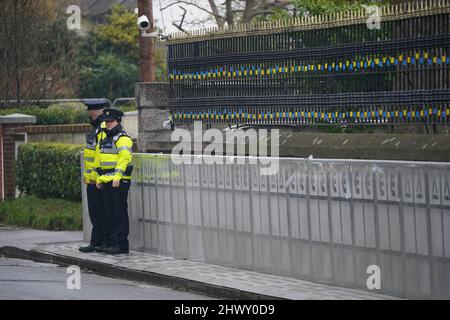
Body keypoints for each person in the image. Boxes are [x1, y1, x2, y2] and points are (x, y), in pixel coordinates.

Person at [95, 108, 133, 254]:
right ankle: (111, 242)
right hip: (106, 180)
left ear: (118, 121)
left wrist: (117, 177)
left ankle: (121, 244)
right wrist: (99, 178)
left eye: (111, 122)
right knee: (108, 213)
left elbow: (124, 159)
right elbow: (102, 162)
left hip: (118, 181)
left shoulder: (122, 138)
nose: (108, 124)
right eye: (107, 122)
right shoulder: (106, 138)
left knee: (119, 213)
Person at [79, 99, 108, 253]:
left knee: (100, 212)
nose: (90, 116)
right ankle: (96, 241)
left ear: (95, 113)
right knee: (95, 213)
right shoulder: (96, 129)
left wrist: (96, 176)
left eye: (91, 113)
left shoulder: (101, 128)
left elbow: (100, 156)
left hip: (98, 179)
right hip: (92, 179)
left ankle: (100, 241)